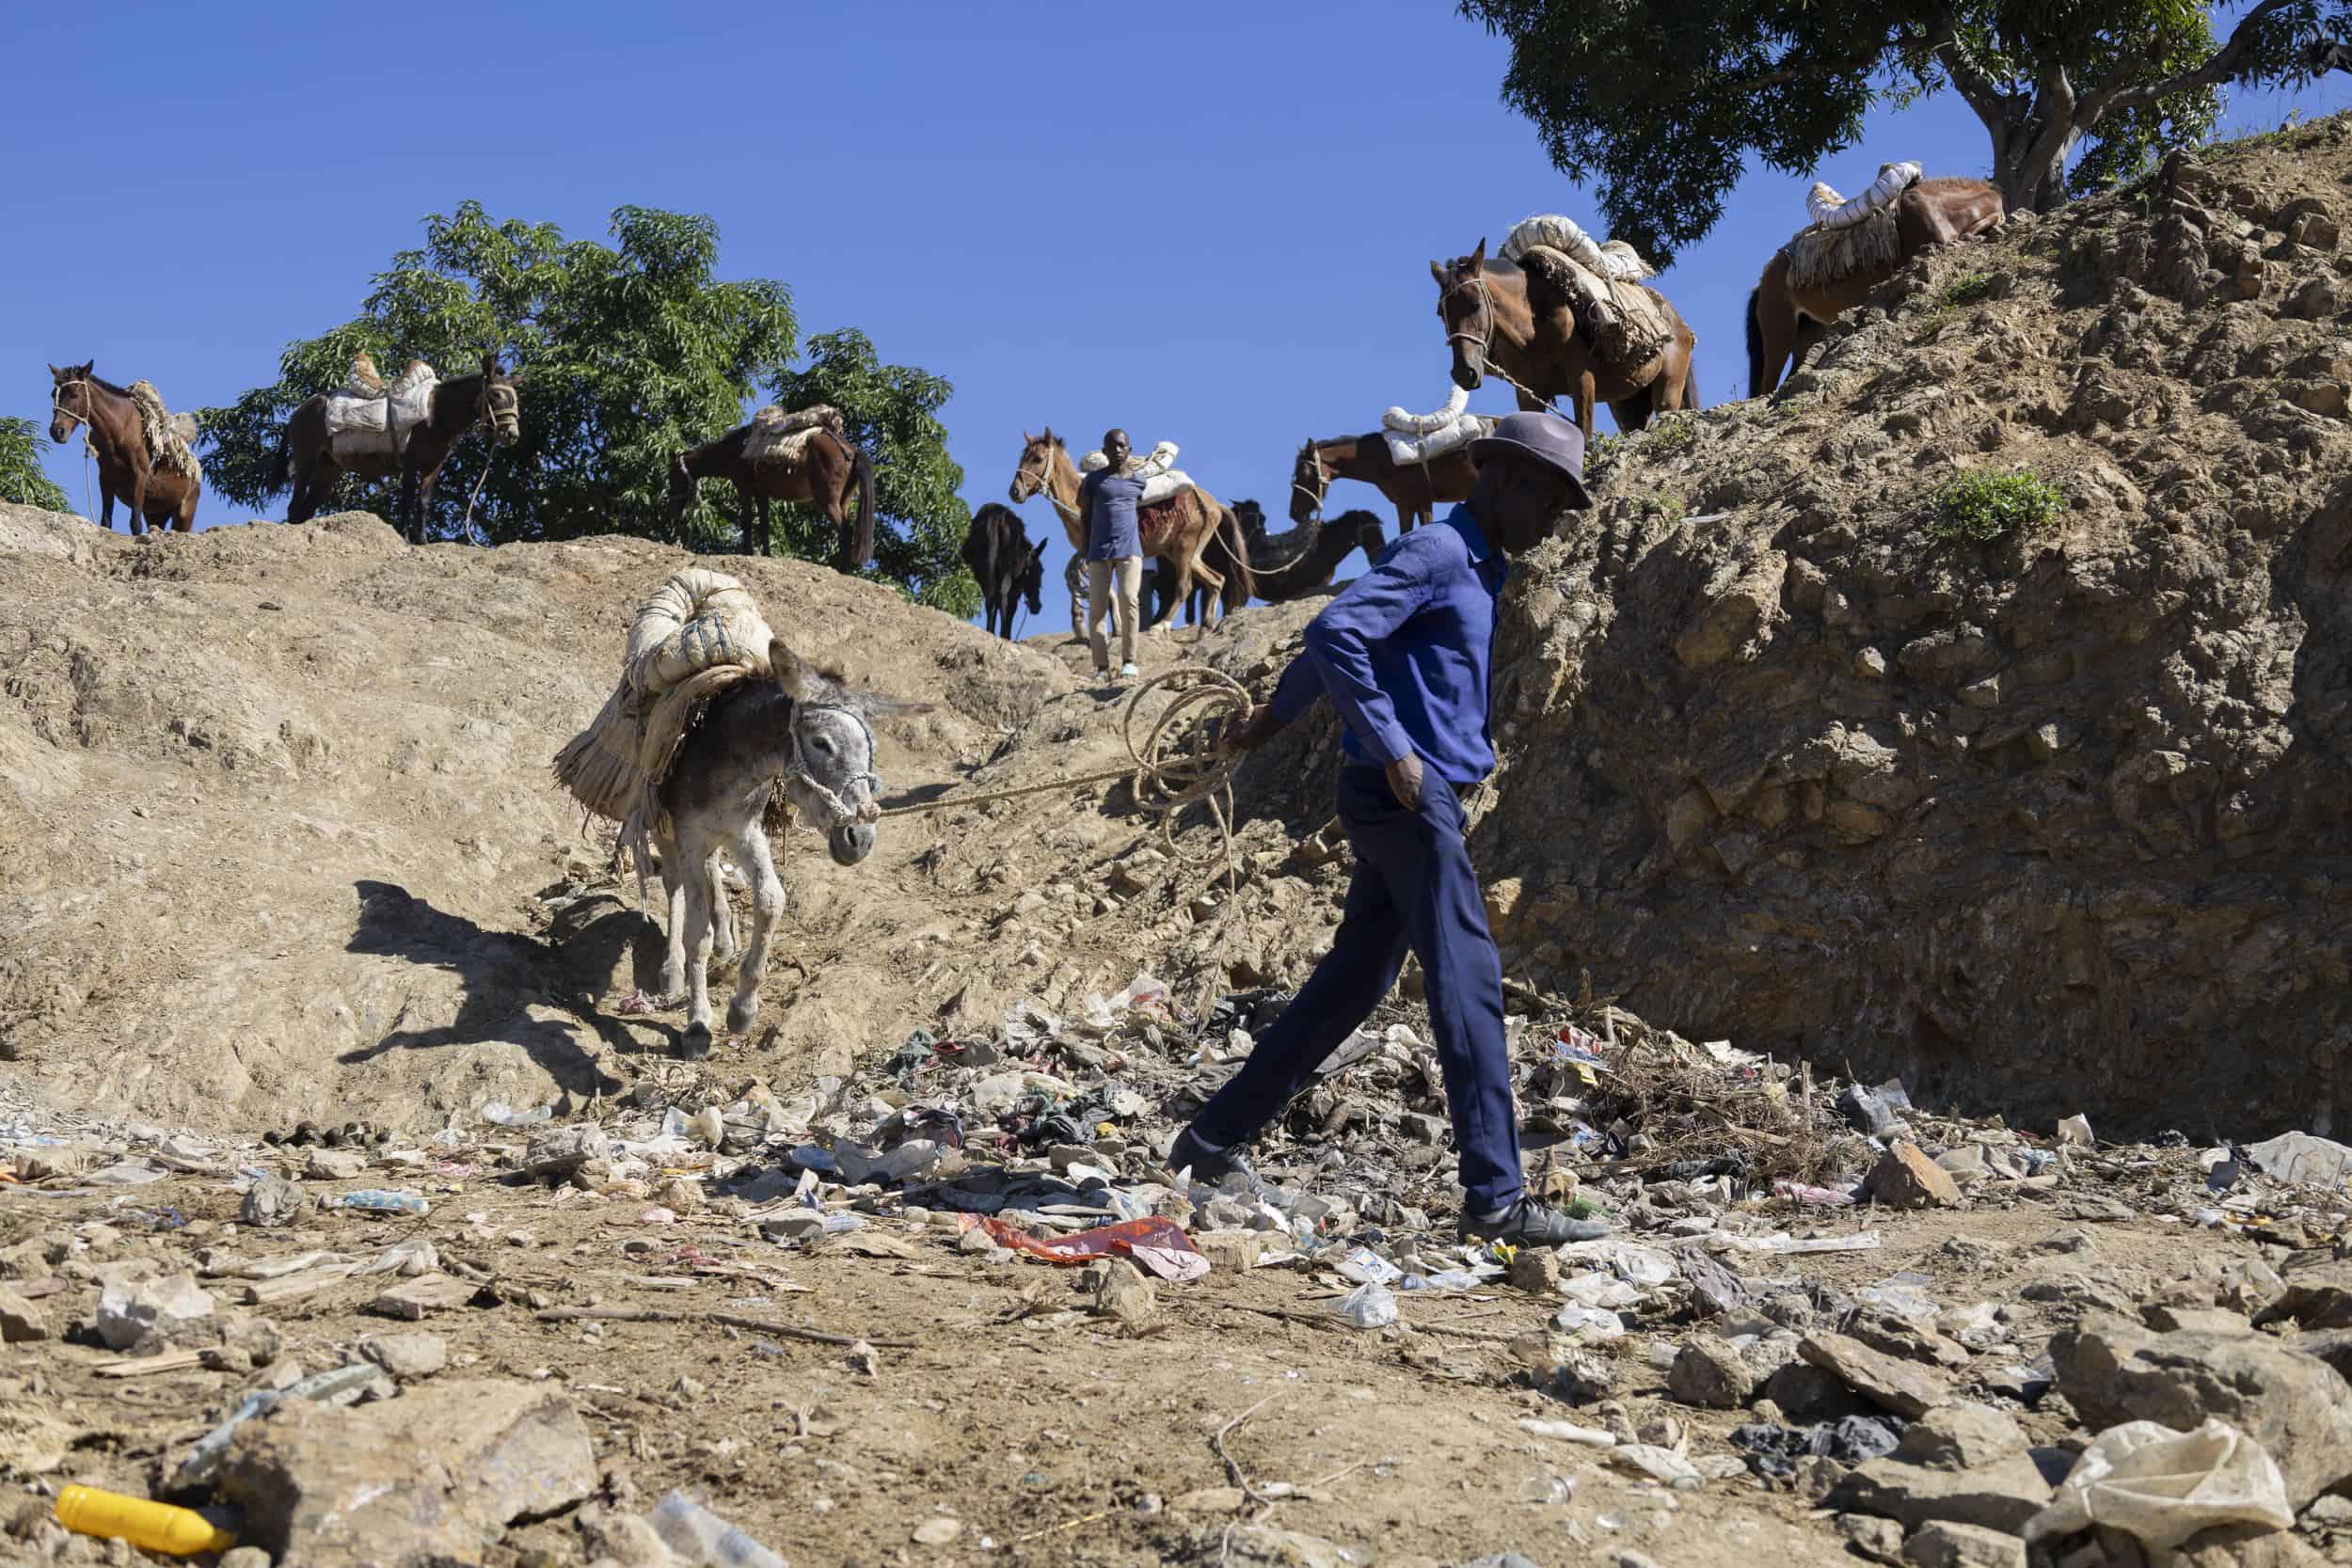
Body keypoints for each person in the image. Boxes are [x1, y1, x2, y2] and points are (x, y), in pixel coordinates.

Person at [1169, 410, 1603, 1246]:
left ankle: (1211, 1136)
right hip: (1408, 796)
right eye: (1550, 498)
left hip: (1404, 792)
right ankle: (1496, 1197)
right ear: (1504, 477)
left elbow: (1353, 635)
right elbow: (1335, 628)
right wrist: (1400, 753)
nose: (1556, 518)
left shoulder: (1482, 566)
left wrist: (1275, 716)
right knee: (1468, 979)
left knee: (1355, 980)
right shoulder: (1440, 552)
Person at [1079, 427, 1147, 682]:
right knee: (1097, 610)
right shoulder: (1094, 481)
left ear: (1129, 449)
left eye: (1122, 445)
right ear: (1104, 450)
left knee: (1129, 599)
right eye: (1112, 446)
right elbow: (1084, 516)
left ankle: (1129, 661)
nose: (1117, 450)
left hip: (1130, 551)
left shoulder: (1138, 482)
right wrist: (1085, 548)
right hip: (1098, 551)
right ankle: (1101, 667)